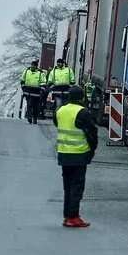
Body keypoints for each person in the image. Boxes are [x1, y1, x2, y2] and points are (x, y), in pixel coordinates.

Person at [54, 86, 98, 228]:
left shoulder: (60, 111)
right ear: (82, 98)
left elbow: (57, 124)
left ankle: (67, 216)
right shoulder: (82, 112)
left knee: (67, 187)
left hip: (63, 154)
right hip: (79, 154)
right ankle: (73, 217)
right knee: (77, 187)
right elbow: (92, 133)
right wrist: (92, 150)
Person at [20, 60, 45, 124]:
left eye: (34, 65)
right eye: (32, 65)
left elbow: (43, 82)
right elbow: (22, 80)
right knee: (29, 105)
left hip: (36, 93)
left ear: (36, 66)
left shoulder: (40, 73)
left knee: (35, 107)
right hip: (28, 92)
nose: (32, 66)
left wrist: (42, 90)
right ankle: (29, 117)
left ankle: (35, 118)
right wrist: (23, 88)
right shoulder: (26, 71)